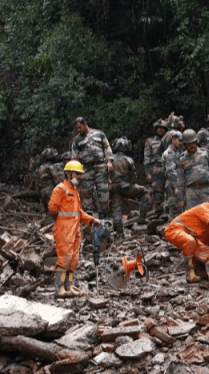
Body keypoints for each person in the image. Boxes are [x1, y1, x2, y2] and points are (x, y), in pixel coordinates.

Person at [48, 160, 101, 298]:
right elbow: (52, 208)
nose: (79, 177)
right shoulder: (60, 188)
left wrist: (92, 220)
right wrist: (61, 222)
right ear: (68, 173)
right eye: (77, 174)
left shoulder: (74, 190)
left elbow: (79, 212)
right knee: (65, 258)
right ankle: (59, 289)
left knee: (73, 261)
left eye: (80, 174)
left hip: (75, 229)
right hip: (64, 229)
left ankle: (69, 286)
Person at [70, 116, 113, 217]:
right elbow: (74, 157)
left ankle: (104, 217)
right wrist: (75, 173)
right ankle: (89, 216)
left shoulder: (99, 134)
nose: (78, 130)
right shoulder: (77, 140)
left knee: (103, 191)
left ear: (85, 124)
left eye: (80, 127)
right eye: (77, 128)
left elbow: (107, 148)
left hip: (101, 166)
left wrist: (109, 162)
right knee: (86, 192)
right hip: (86, 169)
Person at [110, 137, 150, 235]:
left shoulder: (109, 159)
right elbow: (133, 177)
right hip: (126, 187)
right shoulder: (128, 159)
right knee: (145, 192)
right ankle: (142, 217)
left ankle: (119, 233)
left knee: (116, 208)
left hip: (112, 188)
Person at [177, 129, 209, 209]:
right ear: (185, 145)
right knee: (193, 217)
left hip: (207, 189)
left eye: (193, 143)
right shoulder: (181, 159)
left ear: (196, 142)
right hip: (191, 192)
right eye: (188, 144)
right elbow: (180, 180)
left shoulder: (205, 153)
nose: (191, 145)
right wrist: (181, 198)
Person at [144, 118, 169, 215]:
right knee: (157, 192)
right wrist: (147, 173)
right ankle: (158, 213)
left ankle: (167, 211)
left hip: (167, 168)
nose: (160, 130)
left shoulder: (169, 140)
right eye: (158, 128)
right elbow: (146, 158)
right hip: (155, 169)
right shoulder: (150, 141)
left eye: (162, 128)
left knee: (168, 191)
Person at [162, 130, 185, 218]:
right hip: (173, 186)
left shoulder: (179, 152)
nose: (181, 143)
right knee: (175, 211)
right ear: (173, 139)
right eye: (180, 140)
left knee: (181, 211)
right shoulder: (169, 153)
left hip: (180, 184)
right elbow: (171, 173)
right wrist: (177, 190)